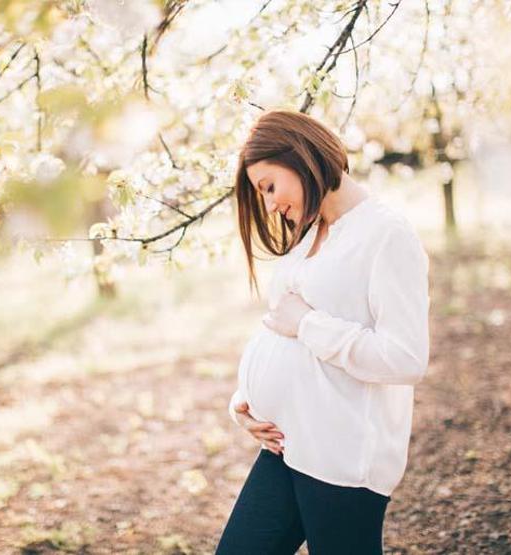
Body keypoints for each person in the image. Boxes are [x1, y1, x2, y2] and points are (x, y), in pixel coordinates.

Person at [215, 109, 430, 554]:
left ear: (301, 156)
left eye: (269, 186)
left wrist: (310, 325)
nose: (270, 204)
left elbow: (405, 358)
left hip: (341, 458)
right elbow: (281, 321)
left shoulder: (386, 234)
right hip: (289, 446)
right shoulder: (312, 230)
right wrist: (246, 398)